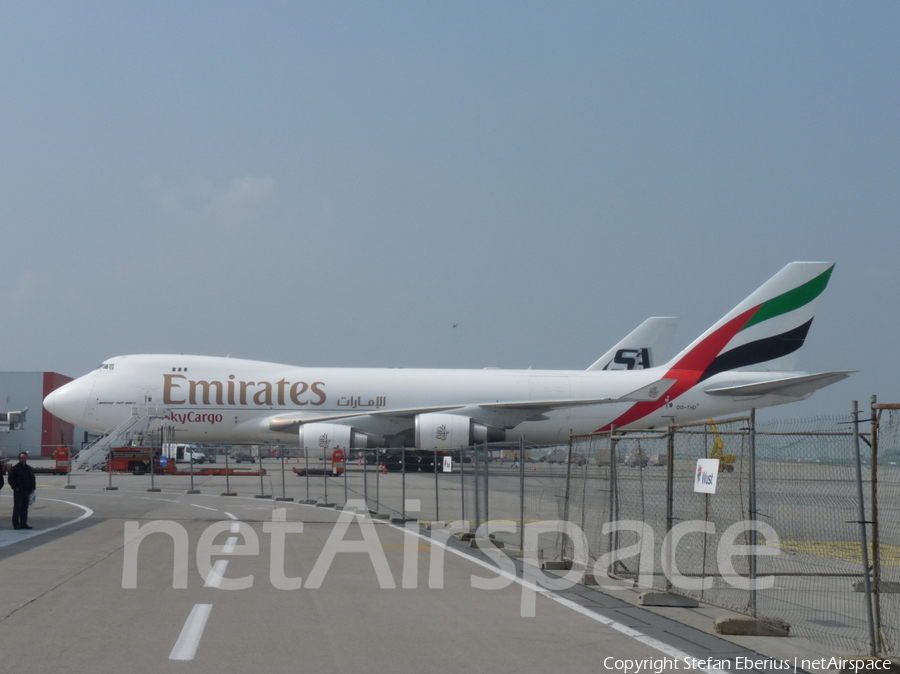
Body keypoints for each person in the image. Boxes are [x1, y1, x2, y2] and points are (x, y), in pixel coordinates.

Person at [8, 452, 36, 530]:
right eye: (21, 458)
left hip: (27, 491)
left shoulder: (29, 468)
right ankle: (16, 524)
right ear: (19, 459)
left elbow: (33, 478)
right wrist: (15, 487)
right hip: (19, 492)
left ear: (26, 458)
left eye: (24, 458)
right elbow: (10, 479)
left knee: (24, 508)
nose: (23, 459)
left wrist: (33, 488)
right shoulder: (15, 468)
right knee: (17, 508)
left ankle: (23, 523)